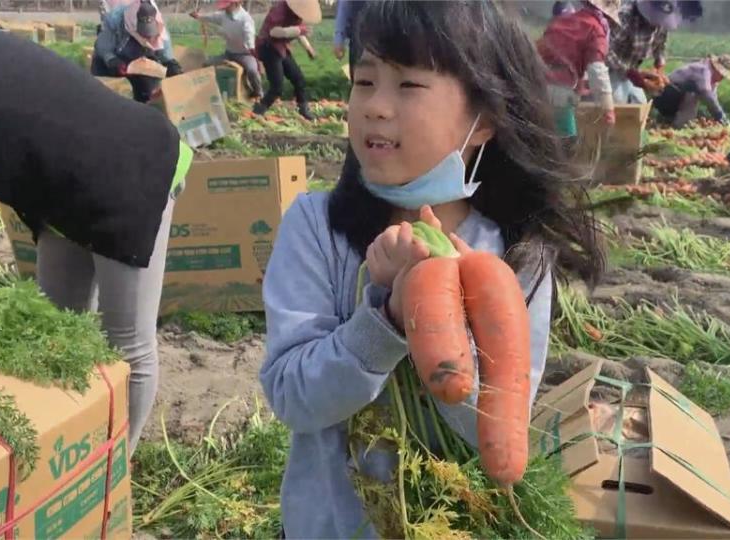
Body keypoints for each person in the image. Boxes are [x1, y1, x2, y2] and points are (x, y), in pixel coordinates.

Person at [258, 1, 604, 537]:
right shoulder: (315, 226)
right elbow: (292, 399)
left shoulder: (515, 255)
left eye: (408, 86)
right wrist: (390, 318)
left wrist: (441, 310)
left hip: (452, 523)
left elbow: (494, 431)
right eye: (364, 81)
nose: (375, 106)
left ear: (484, 118)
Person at [0, 30, 194, 453]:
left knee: (128, 343)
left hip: (130, 172)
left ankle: (115, 474)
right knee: (57, 329)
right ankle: (73, 445)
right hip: (59, 188)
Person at [537, 0, 622, 138]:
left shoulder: (566, 21)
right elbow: (597, 70)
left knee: (541, 133)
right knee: (566, 140)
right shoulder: (596, 30)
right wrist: (608, 108)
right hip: (559, 89)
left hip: (534, 80)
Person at [606, 0, 701, 104]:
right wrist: (631, 74)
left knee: (639, 102)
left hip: (631, 67)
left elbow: (661, 45)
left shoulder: (662, 22)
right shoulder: (624, 17)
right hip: (609, 69)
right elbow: (606, 51)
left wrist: (659, 69)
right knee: (616, 101)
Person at [92, 0, 183, 103]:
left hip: (139, 64)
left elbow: (164, 49)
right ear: (133, 24)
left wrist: (170, 63)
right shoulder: (116, 19)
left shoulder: (159, 24)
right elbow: (103, 46)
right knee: (105, 96)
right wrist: (112, 60)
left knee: (149, 93)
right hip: (112, 62)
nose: (145, 37)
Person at [253, 0, 322, 120]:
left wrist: (308, 48)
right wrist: (298, 30)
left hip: (281, 47)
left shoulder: (297, 13)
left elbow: (298, 31)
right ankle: (258, 111)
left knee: (298, 78)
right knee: (277, 87)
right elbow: (274, 32)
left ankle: (303, 109)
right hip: (268, 47)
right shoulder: (280, 9)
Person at [191, 0, 262, 99]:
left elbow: (250, 39)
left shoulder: (246, 20)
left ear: (236, 3)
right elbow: (211, 17)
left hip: (245, 54)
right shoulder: (224, 16)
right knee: (207, 64)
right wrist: (198, 16)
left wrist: (255, 57)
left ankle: (258, 93)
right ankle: (208, 91)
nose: (224, 8)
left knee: (252, 71)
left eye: (226, 6)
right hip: (229, 54)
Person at [653, 53, 730, 128]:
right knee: (693, 96)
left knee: (694, 96)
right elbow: (707, 94)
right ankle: (676, 127)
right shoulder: (703, 70)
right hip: (666, 94)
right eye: (722, 75)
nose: (721, 79)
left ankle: (670, 125)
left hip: (678, 97)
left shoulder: (713, 79)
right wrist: (720, 115)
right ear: (717, 69)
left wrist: (722, 119)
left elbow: (713, 99)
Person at [333, 0, 367, 78]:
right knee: (360, 77)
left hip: (390, 36)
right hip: (359, 36)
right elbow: (344, 4)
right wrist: (339, 38)